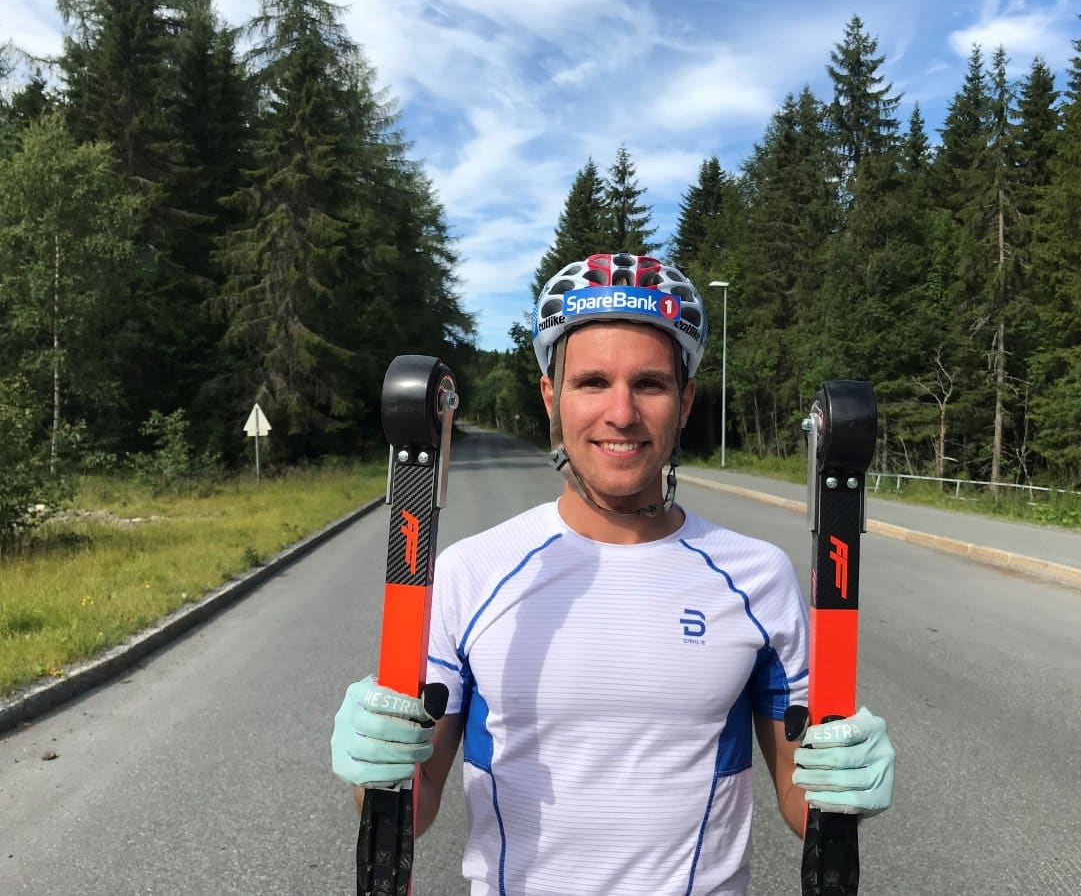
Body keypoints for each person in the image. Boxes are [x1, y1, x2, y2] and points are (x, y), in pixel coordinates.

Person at [332, 253, 895, 895]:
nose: (621, 414)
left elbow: (804, 807)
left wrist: (844, 786)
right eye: (592, 381)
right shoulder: (471, 572)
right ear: (553, 396)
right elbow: (415, 805)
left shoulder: (757, 578)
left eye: (650, 384)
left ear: (684, 402)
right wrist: (374, 768)